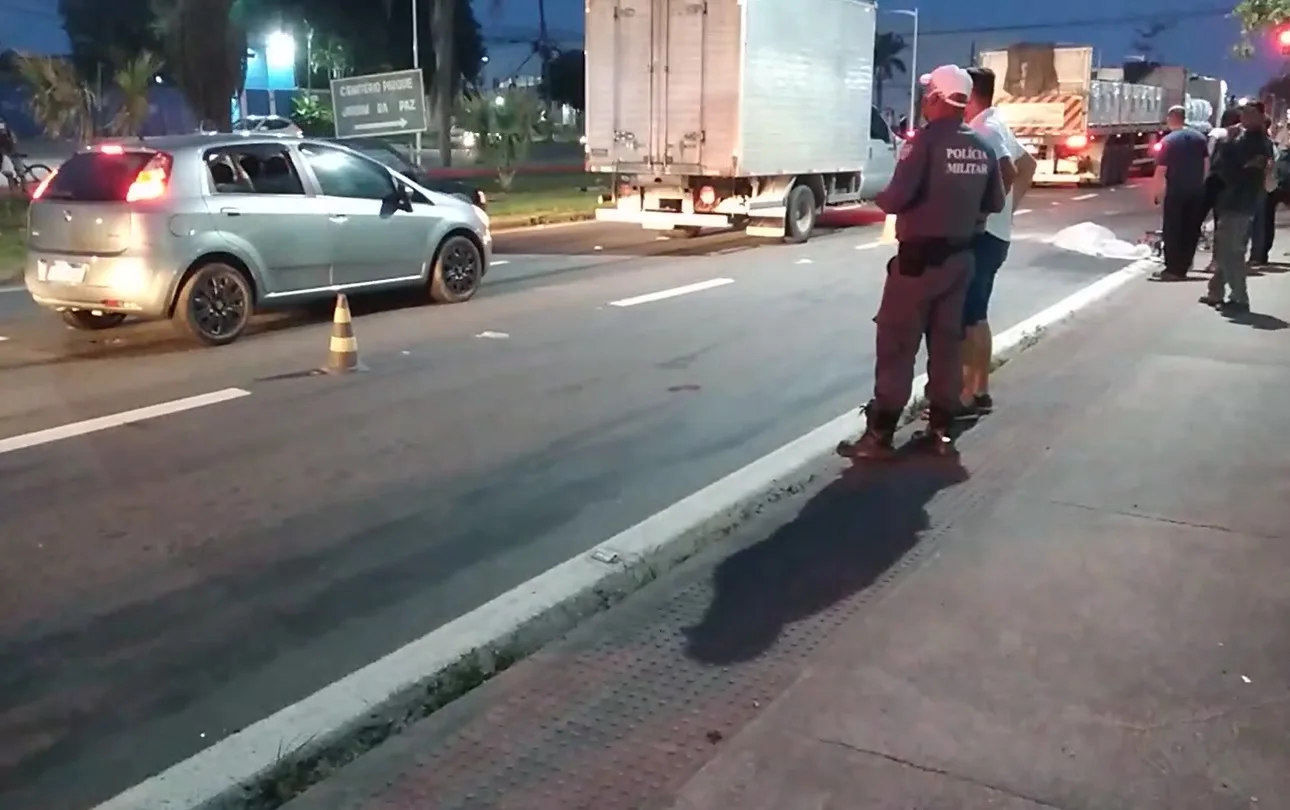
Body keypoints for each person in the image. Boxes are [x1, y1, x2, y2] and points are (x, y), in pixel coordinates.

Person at [839, 64, 1005, 460]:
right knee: (947, 345)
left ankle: (879, 437)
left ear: (935, 99)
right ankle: (941, 432)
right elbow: (995, 202)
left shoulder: (924, 143)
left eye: (926, 94)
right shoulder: (982, 146)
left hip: (917, 267)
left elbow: (896, 198)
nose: (922, 101)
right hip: (961, 261)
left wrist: (881, 196)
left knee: (897, 345)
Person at [958, 66, 1036, 418]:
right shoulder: (995, 122)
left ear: (970, 95)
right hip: (996, 234)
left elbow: (1009, 171)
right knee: (977, 314)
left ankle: (968, 396)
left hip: (985, 237)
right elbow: (1029, 165)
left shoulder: (985, 130)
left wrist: (988, 212)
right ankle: (979, 390)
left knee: (970, 317)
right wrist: (1008, 212)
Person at [1202, 102, 1271, 313]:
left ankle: (1239, 297)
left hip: (1241, 201)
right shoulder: (1248, 140)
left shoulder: (1257, 142)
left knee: (1232, 251)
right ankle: (1216, 291)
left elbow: (1231, 169)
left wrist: (1228, 143)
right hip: (1235, 200)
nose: (1246, 119)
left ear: (1260, 117)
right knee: (1226, 248)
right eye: (1244, 114)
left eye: (1251, 114)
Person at [1150, 105, 1210, 281]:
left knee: (1173, 229)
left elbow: (1161, 170)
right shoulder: (1200, 138)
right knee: (1191, 229)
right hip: (1196, 191)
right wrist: (1201, 184)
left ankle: (1172, 269)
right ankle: (1184, 266)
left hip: (1176, 191)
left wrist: (1158, 193)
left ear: (1171, 118)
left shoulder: (1168, 141)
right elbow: (1206, 164)